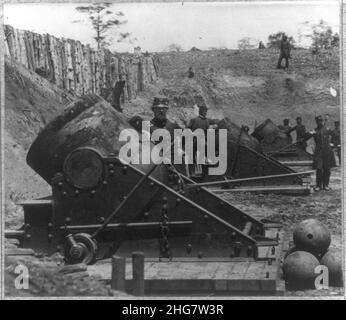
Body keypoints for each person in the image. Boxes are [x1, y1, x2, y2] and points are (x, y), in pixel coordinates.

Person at [310, 115, 336, 191]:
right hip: (318, 153)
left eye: (321, 121)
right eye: (318, 121)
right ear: (316, 122)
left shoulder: (327, 130)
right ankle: (318, 185)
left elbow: (336, 136)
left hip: (327, 152)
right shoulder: (314, 131)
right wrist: (310, 133)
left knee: (327, 169)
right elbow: (305, 136)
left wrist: (333, 144)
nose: (320, 122)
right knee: (319, 169)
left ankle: (326, 185)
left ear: (323, 121)